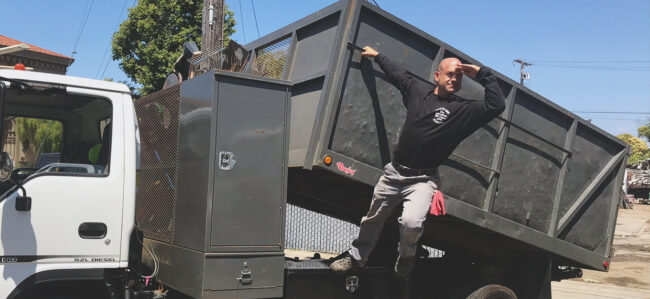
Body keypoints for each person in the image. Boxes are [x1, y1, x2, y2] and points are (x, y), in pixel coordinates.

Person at [330, 46, 506, 277]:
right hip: (393, 174)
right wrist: (378, 56)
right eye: (450, 74)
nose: (454, 79)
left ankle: (407, 255)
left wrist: (482, 74)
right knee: (372, 218)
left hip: (423, 180)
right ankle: (356, 259)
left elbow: (497, 104)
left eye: (459, 76)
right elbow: (398, 74)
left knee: (411, 222)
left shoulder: (465, 110)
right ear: (437, 76)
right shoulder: (417, 91)